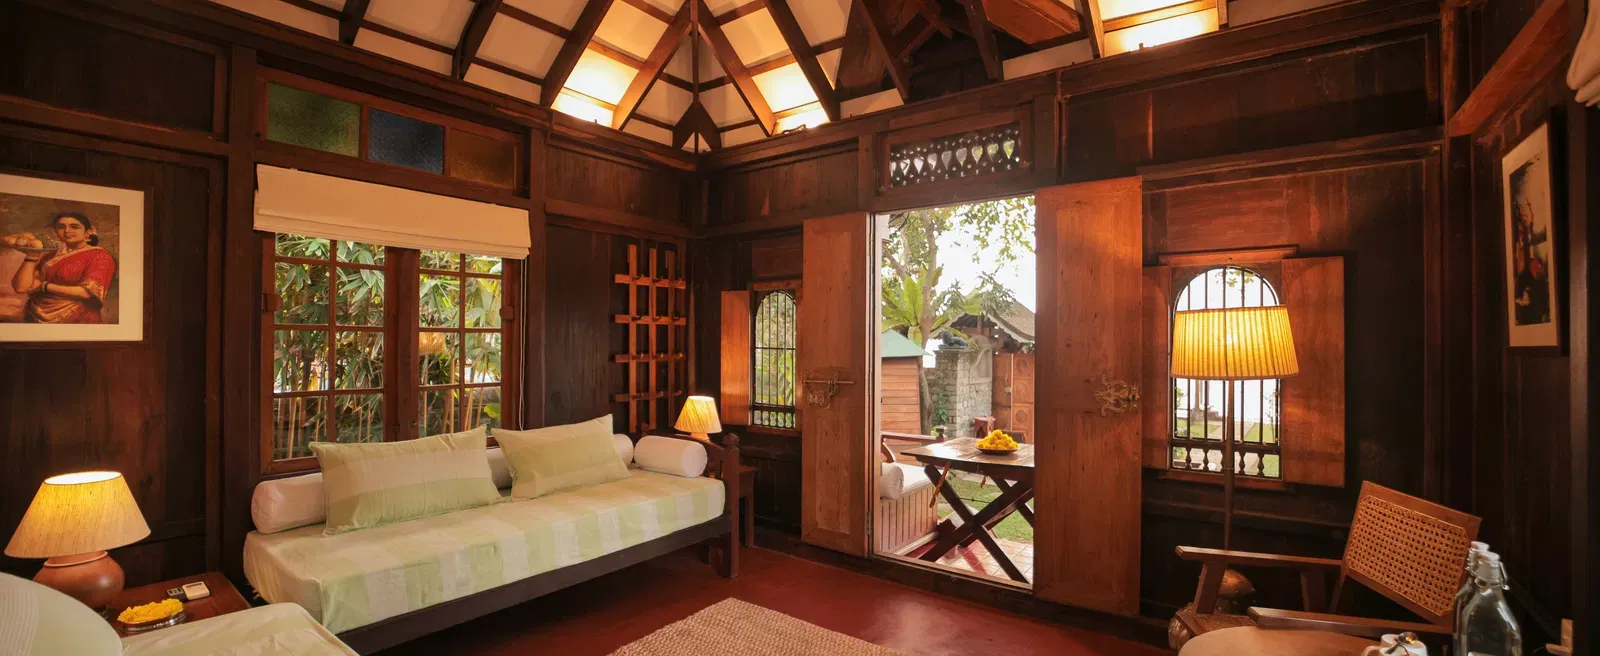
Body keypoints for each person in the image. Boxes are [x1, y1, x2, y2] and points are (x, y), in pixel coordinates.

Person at [10, 212, 115, 324]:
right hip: (34, 317)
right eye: (61, 227)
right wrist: (31, 256)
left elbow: (87, 292)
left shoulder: (100, 255)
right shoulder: (49, 256)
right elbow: (21, 288)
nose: (67, 231)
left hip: (78, 318)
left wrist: (44, 286)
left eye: (74, 227)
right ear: (56, 232)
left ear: (88, 233)